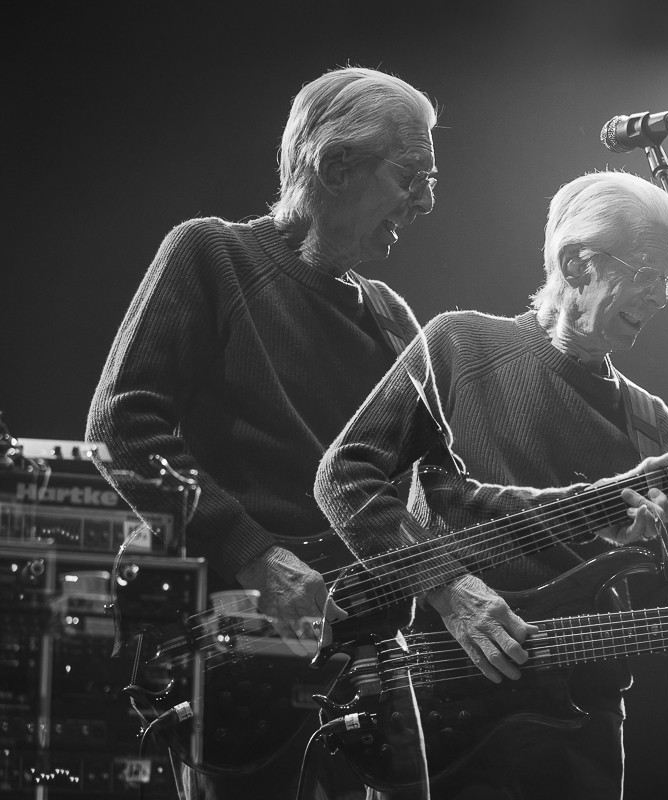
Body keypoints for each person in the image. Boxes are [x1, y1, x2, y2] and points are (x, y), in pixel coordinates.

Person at [315, 170, 668, 798]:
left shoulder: (651, 425)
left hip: (580, 735)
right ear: (576, 263)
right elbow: (345, 474)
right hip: (436, 708)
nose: (660, 297)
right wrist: (449, 588)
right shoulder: (458, 346)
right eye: (646, 274)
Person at [86, 66, 443, 800]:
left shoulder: (394, 317)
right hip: (236, 635)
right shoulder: (210, 254)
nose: (427, 202)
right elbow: (121, 423)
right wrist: (254, 556)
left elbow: (432, 487)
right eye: (412, 177)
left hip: (371, 648)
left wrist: (584, 518)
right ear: (335, 166)